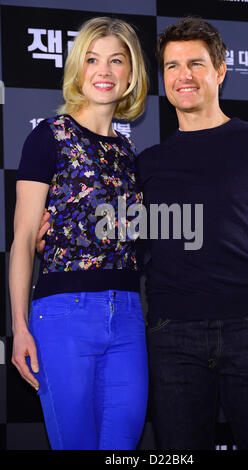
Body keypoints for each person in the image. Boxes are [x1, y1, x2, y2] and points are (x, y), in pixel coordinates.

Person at [137, 16, 248, 450]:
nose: (183, 76)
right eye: (172, 66)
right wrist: (59, 236)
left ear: (221, 70)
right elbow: (126, 245)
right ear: (162, 78)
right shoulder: (147, 164)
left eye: (196, 63)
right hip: (172, 337)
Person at [9, 16, 149, 450]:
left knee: (121, 450)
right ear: (78, 68)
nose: (103, 72)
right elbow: (22, 239)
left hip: (127, 317)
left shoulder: (129, 153)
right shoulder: (47, 137)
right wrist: (18, 326)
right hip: (63, 314)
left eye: (116, 61)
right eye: (92, 59)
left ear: (131, 75)